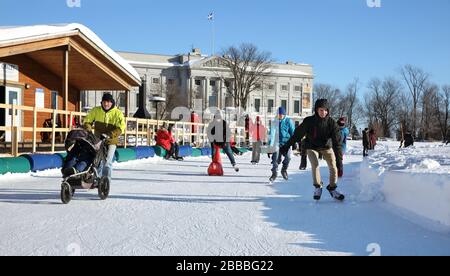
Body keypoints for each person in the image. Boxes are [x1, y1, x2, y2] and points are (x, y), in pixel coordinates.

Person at [280, 99, 345, 201]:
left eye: (325, 110)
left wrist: (339, 162)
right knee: (315, 165)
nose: (323, 112)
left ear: (328, 111)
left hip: (326, 146)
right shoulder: (309, 121)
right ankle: (318, 187)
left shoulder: (332, 123)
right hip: (312, 146)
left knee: (333, 166)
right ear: (316, 110)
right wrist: (286, 145)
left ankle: (332, 188)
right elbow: (297, 135)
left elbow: (337, 144)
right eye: (321, 110)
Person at [83, 93, 125, 184]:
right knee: (97, 160)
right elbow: (87, 121)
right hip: (97, 140)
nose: (106, 104)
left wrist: (110, 134)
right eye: (104, 102)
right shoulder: (96, 110)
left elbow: (121, 127)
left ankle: (106, 182)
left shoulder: (117, 113)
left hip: (111, 140)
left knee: (108, 161)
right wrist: (88, 129)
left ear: (112, 103)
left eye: (108, 102)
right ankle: (97, 179)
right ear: (101, 102)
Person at [268, 107, 295, 182]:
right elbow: (272, 134)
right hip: (277, 143)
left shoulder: (288, 121)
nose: (280, 116)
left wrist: (294, 142)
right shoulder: (274, 122)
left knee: (288, 157)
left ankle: (284, 170)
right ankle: (274, 173)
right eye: (279, 114)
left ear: (284, 114)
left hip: (287, 143)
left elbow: (293, 132)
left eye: (281, 115)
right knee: (275, 159)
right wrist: (270, 146)